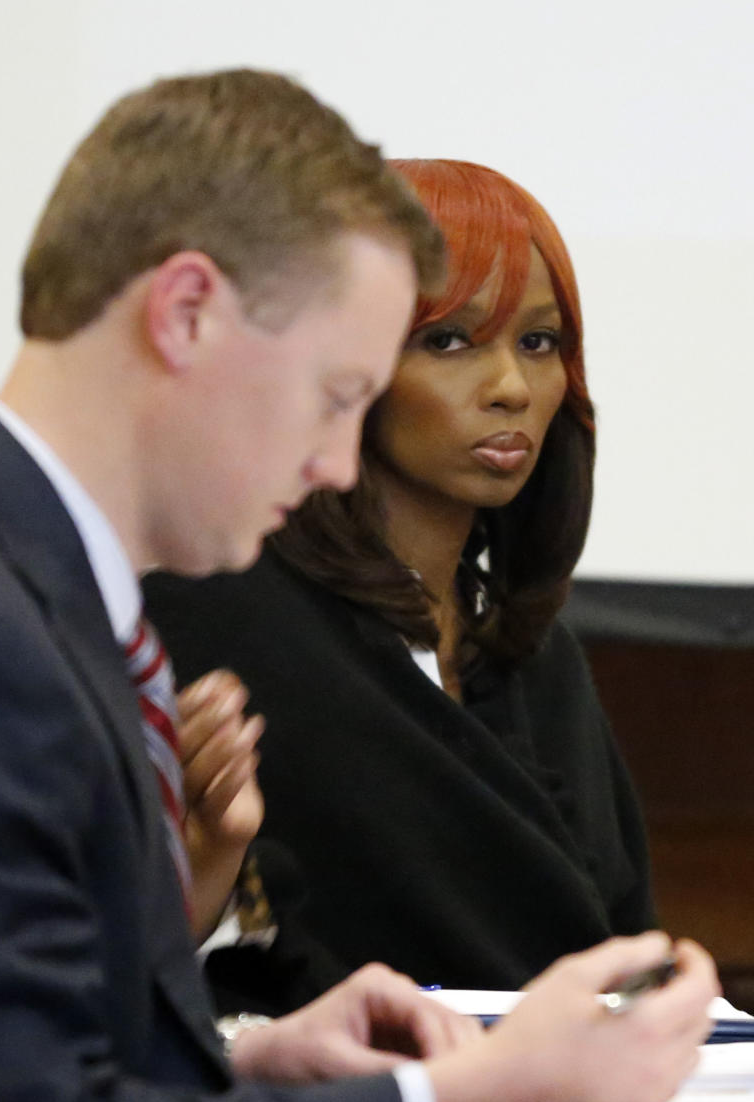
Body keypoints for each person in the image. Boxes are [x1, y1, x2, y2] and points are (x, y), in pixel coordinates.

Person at [0, 77, 716, 1102]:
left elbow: (6, 1080)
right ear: (185, 316)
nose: (341, 466)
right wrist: (473, 1100)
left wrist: (250, 1061)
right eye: (339, 391)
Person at [146, 158, 655, 999]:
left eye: (539, 343)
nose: (510, 388)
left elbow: (625, 944)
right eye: (449, 341)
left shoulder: (537, 656)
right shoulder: (214, 619)